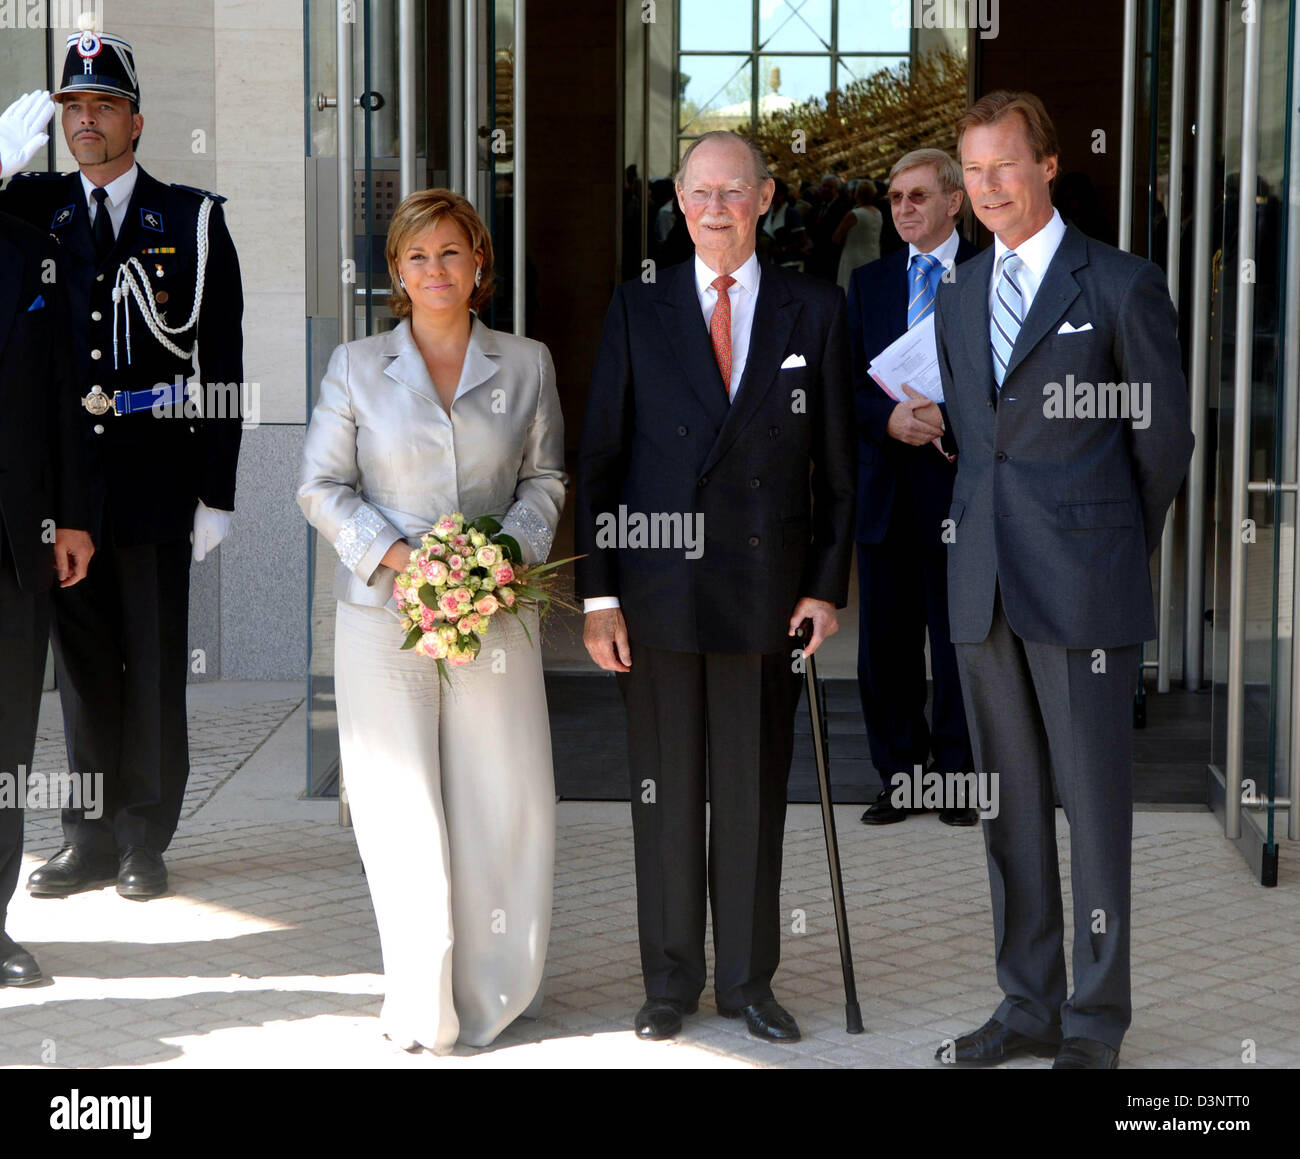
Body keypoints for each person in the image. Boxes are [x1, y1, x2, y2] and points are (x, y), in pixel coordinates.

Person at [576, 130, 856, 1044]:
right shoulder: (638, 306)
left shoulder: (814, 308)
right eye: (699, 192)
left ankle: (745, 981)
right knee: (663, 791)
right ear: (679, 201)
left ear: (767, 198)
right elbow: (603, 459)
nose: (715, 208)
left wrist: (825, 586)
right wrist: (600, 595)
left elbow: (840, 472)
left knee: (749, 795)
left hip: (764, 592)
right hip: (655, 593)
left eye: (733, 191)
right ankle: (668, 981)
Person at [933, 92, 1193, 1069]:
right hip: (982, 584)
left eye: (1004, 166)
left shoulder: (1118, 283)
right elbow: (975, 442)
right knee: (1008, 810)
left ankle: (1092, 1022)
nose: (986, 187)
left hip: (1083, 586)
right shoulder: (957, 291)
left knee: (1091, 811)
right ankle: (1026, 1004)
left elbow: (1162, 441)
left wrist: (1110, 543)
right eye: (973, 171)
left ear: (1046, 165)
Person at [297, 188, 565, 1053]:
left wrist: (496, 562)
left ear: (480, 264)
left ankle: (495, 989)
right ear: (396, 274)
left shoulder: (527, 364)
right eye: (417, 257)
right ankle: (422, 1000)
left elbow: (546, 482)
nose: (435, 270)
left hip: (498, 614)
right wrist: (412, 563)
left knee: (501, 796)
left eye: (451, 253)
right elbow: (319, 487)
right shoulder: (355, 366)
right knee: (398, 807)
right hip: (384, 617)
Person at [0, 23, 244, 902]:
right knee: (81, 670)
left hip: (155, 477)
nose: (85, 121)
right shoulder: (32, 210)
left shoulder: (191, 220)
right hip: (66, 486)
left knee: (153, 665)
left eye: (103, 105)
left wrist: (216, 490)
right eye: (74, 106)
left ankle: (147, 835)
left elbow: (220, 363)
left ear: (137, 121)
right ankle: (88, 835)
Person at [846, 149, 978, 827]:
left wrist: (948, 416)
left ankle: (957, 777)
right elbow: (843, 388)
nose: (902, 209)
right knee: (887, 646)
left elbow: (1012, 384)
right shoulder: (867, 285)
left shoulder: (991, 277)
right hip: (888, 491)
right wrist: (889, 418)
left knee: (961, 640)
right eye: (895, 198)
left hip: (963, 491)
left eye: (918, 197)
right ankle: (900, 777)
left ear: (954, 202)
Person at [0, 198, 96, 986]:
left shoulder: (35, 251)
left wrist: (72, 516)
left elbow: (67, 391)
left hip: (13, 541)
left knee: (5, 744)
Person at [833, 178, 882, 290]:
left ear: (856, 194)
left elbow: (837, 237)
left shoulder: (854, 214)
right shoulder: (878, 213)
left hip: (853, 257)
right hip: (873, 256)